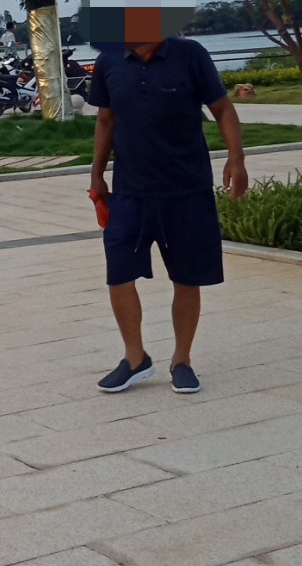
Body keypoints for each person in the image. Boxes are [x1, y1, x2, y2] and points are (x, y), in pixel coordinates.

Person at [88, 33, 247, 396]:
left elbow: (223, 108)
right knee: (119, 274)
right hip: (129, 192)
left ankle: (182, 361)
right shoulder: (110, 60)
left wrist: (236, 159)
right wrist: (97, 173)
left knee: (187, 277)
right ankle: (134, 358)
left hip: (186, 189)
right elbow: (106, 120)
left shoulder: (190, 55)